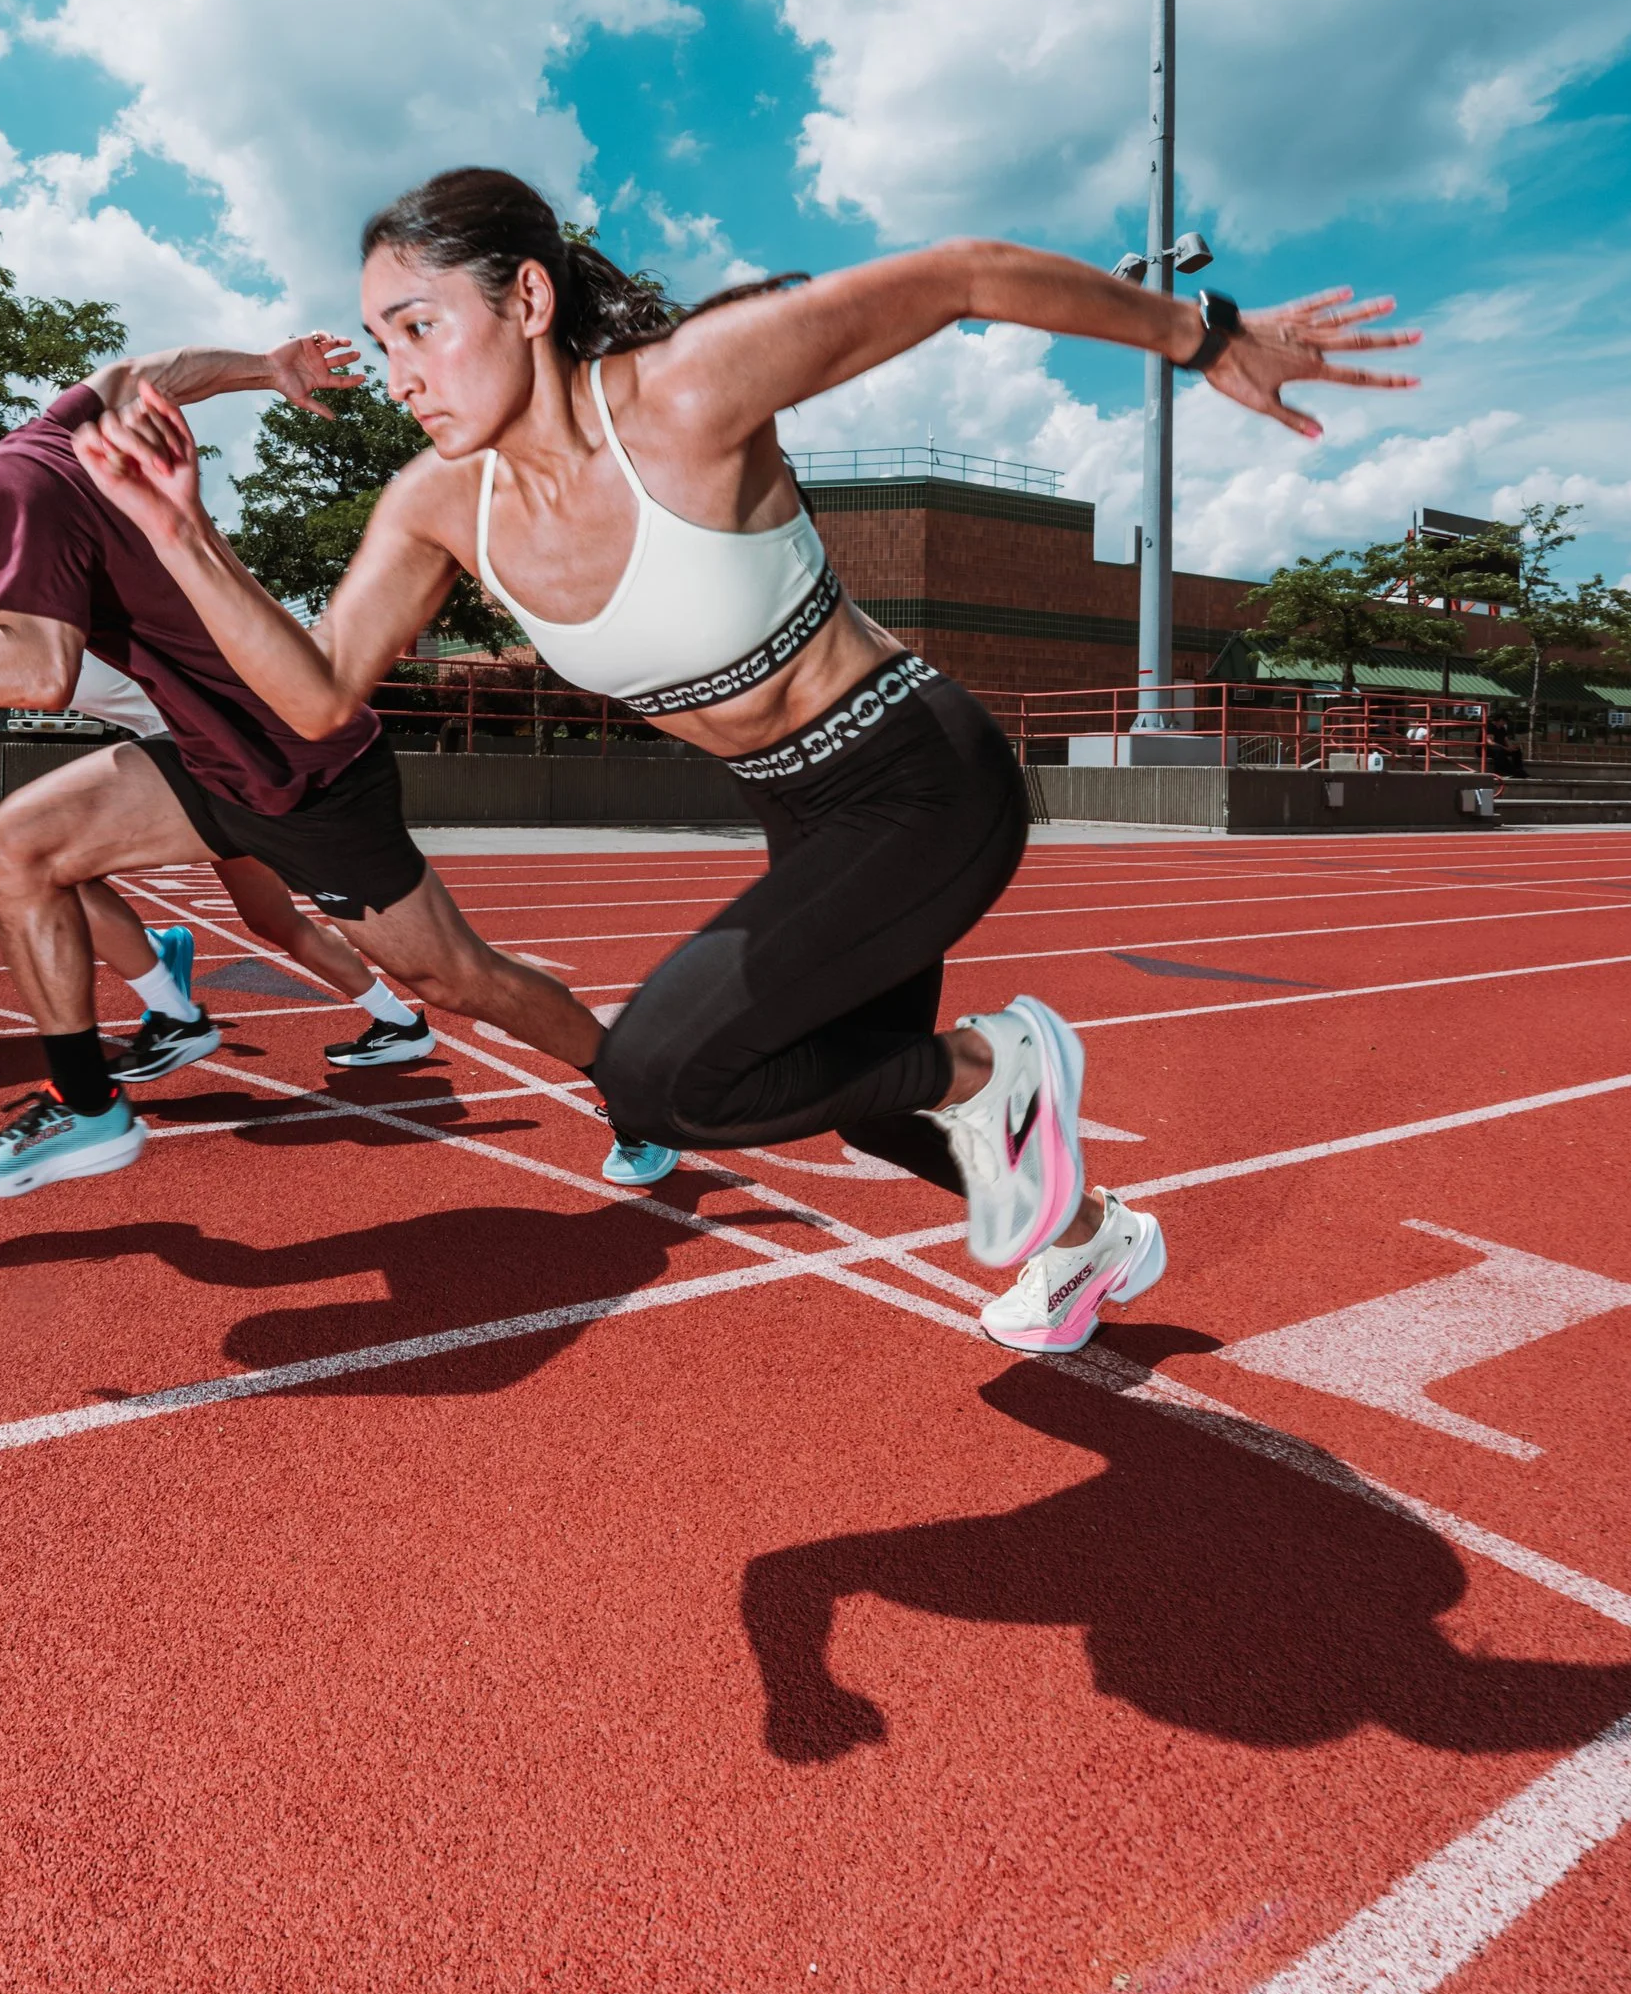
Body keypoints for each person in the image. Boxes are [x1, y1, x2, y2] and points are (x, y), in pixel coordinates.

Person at [72, 168, 1419, 1354]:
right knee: (870, 1104)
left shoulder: (688, 389)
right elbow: (315, 696)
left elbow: (963, 275)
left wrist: (1207, 333)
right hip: (802, 810)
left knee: (662, 1078)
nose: (398, 371)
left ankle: (997, 1066)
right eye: (379, 340)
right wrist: (182, 536)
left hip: (916, 773)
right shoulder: (436, 504)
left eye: (418, 325)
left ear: (526, 297)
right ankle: (1089, 1238)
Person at [0, 325, 559, 1196]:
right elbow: (140, 375)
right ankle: (102, 1088)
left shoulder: (14, 519)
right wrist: (265, 368)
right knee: (20, 848)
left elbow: (38, 674)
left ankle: (584, 1061)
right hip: (196, 754)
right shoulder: (33, 474)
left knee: (443, 970)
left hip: (278, 753)